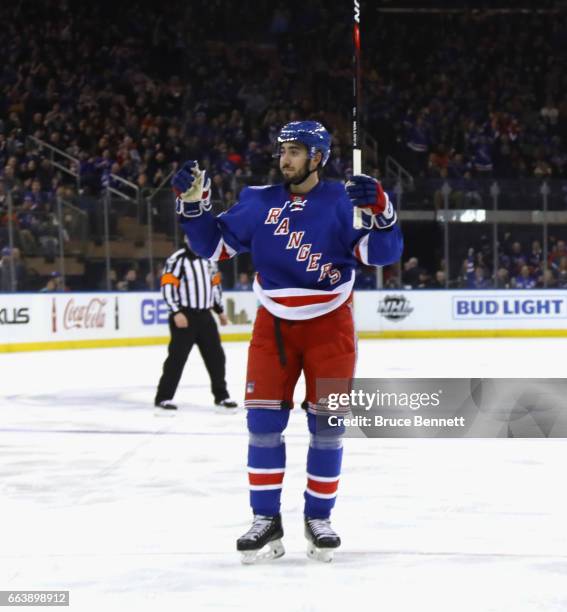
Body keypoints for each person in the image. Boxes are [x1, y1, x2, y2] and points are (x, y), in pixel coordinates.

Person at [172, 120, 403, 563]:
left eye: (295, 152)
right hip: (272, 327)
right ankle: (265, 519)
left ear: (318, 157)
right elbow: (211, 248)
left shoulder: (343, 200)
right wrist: (192, 206)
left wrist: (382, 211)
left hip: (330, 327)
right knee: (261, 428)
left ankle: (319, 518)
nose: (285, 159)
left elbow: (382, 254)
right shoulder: (258, 200)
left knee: (328, 429)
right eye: (283, 152)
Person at [154, 238, 237, 411]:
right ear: (185, 239)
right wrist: (176, 311)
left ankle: (222, 396)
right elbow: (167, 286)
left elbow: (215, 287)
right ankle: (163, 398)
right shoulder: (177, 259)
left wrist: (220, 311)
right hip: (185, 316)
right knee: (177, 359)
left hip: (206, 316)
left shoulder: (209, 259)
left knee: (217, 357)